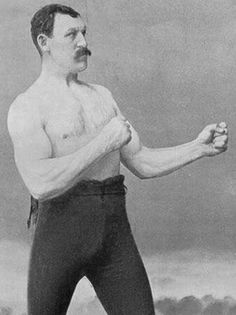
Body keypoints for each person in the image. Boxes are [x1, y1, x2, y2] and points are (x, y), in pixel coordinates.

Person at [7, 4, 228, 315]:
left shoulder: (103, 97)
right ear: (44, 42)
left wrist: (198, 148)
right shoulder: (27, 107)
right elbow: (41, 183)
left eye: (83, 33)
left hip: (114, 238)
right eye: (71, 34)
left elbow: (141, 162)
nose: (83, 42)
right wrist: (102, 143)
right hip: (58, 240)